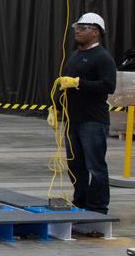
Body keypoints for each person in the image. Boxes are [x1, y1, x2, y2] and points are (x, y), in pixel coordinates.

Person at [49, 12, 117, 227]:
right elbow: (64, 86)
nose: (77, 30)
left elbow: (108, 86)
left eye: (83, 27)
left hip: (93, 121)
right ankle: (80, 204)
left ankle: (97, 209)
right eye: (77, 27)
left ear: (96, 31)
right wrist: (55, 107)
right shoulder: (74, 56)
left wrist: (79, 82)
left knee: (95, 166)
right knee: (75, 166)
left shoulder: (102, 57)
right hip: (72, 120)